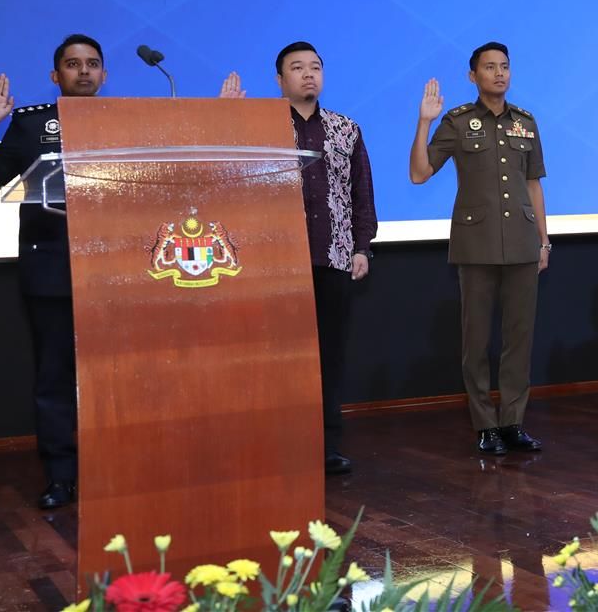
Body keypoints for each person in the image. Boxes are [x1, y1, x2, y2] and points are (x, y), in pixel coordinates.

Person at [221, 42, 376, 473]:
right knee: (277, 357)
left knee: (329, 357)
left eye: (315, 67)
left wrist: (362, 246)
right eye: (297, 68)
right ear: (279, 80)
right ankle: (278, 443)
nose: (309, 74)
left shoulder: (346, 128)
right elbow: (230, 180)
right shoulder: (259, 126)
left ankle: (326, 446)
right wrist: (226, 120)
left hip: (334, 257)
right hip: (276, 263)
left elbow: (361, 192)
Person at [0, 34, 106, 510]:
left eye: (92, 64)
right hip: (52, 266)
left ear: (104, 74)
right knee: (55, 378)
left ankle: (112, 468)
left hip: (113, 270)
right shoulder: (31, 124)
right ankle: (61, 476)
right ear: (55, 75)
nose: (83, 71)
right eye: (73, 64)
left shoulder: (125, 121)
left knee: (112, 377)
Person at [410, 43, 549, 455]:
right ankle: (485, 425)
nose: (499, 73)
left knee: (519, 339)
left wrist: (544, 240)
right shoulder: (457, 121)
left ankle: (513, 422)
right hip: (476, 245)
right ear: (473, 76)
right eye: (490, 67)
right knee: (476, 342)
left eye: (504, 66)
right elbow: (419, 173)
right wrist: (424, 122)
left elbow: (533, 184)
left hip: (523, 243)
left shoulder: (526, 121)